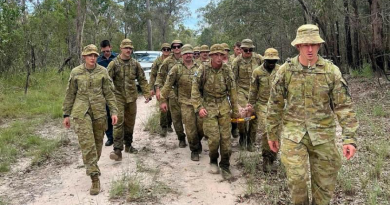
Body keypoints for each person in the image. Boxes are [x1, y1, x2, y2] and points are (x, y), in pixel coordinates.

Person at [267, 24, 359, 204]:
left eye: (314, 44)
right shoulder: (286, 71)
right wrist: (272, 133)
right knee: (297, 179)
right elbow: (275, 104)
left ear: (319, 45)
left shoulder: (330, 71)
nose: (310, 49)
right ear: (298, 46)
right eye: (305, 44)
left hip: (323, 135)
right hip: (294, 134)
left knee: (324, 185)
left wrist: (349, 138)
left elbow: (344, 106)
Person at [62, 44, 118, 195]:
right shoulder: (76, 72)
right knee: (87, 144)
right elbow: (70, 94)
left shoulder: (103, 72)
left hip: (99, 112)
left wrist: (113, 112)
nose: (92, 58)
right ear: (84, 57)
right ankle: (94, 178)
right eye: (89, 55)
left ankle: (92, 164)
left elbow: (109, 94)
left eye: (94, 55)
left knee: (98, 145)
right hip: (81, 113)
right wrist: (66, 114)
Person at [192, 44, 240, 180]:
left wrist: (235, 111)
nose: (219, 58)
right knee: (213, 139)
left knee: (226, 139)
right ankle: (213, 160)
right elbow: (194, 88)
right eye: (216, 55)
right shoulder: (203, 69)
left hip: (224, 106)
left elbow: (233, 91)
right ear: (211, 56)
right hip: (209, 107)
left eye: (221, 55)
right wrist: (199, 107)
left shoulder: (227, 70)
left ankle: (225, 164)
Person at [108, 39, 150, 161]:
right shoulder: (114, 64)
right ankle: (117, 150)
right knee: (118, 123)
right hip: (118, 97)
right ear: (121, 49)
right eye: (126, 48)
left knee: (130, 123)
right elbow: (106, 80)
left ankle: (128, 145)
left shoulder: (135, 64)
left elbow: (142, 79)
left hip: (131, 98)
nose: (128, 50)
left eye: (130, 48)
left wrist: (147, 93)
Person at [159, 44, 203, 161]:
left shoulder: (200, 67)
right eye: (186, 53)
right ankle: (194, 150)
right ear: (182, 55)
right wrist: (163, 101)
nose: (188, 55)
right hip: (184, 102)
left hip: (199, 102)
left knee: (201, 126)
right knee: (190, 127)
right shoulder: (176, 68)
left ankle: (197, 141)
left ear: (193, 54)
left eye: (190, 53)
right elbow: (167, 86)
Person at [247, 48, 280, 172]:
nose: (272, 63)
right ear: (264, 60)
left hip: (278, 106)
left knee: (277, 133)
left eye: (274, 61)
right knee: (267, 131)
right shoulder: (257, 72)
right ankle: (266, 159)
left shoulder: (280, 70)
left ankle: (273, 158)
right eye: (269, 61)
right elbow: (253, 91)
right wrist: (250, 105)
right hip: (262, 105)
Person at [231, 39, 263, 151]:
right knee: (243, 114)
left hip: (255, 91)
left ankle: (251, 141)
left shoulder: (258, 59)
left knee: (255, 116)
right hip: (241, 91)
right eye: (246, 50)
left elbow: (267, 68)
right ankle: (243, 136)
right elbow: (233, 80)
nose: (248, 52)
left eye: (250, 50)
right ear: (242, 50)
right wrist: (233, 98)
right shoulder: (236, 62)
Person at [155, 40, 187, 148]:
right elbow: (159, 77)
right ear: (172, 48)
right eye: (174, 47)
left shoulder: (187, 59)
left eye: (179, 46)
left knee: (190, 118)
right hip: (172, 93)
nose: (177, 48)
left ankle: (194, 139)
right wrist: (158, 91)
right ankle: (181, 138)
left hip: (187, 94)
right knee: (176, 118)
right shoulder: (167, 61)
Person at [149, 43, 173, 137]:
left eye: (168, 49)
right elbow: (153, 75)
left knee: (170, 107)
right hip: (161, 87)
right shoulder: (157, 61)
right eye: (164, 49)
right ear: (162, 50)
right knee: (163, 107)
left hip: (171, 88)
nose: (166, 51)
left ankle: (169, 124)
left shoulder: (173, 60)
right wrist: (152, 88)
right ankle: (163, 127)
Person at [97, 40, 118, 146]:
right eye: (104, 51)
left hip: (117, 90)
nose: (106, 52)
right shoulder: (98, 61)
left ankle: (119, 136)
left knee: (118, 113)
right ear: (101, 49)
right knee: (107, 115)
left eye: (108, 50)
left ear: (111, 47)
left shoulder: (117, 58)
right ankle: (110, 137)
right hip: (104, 92)